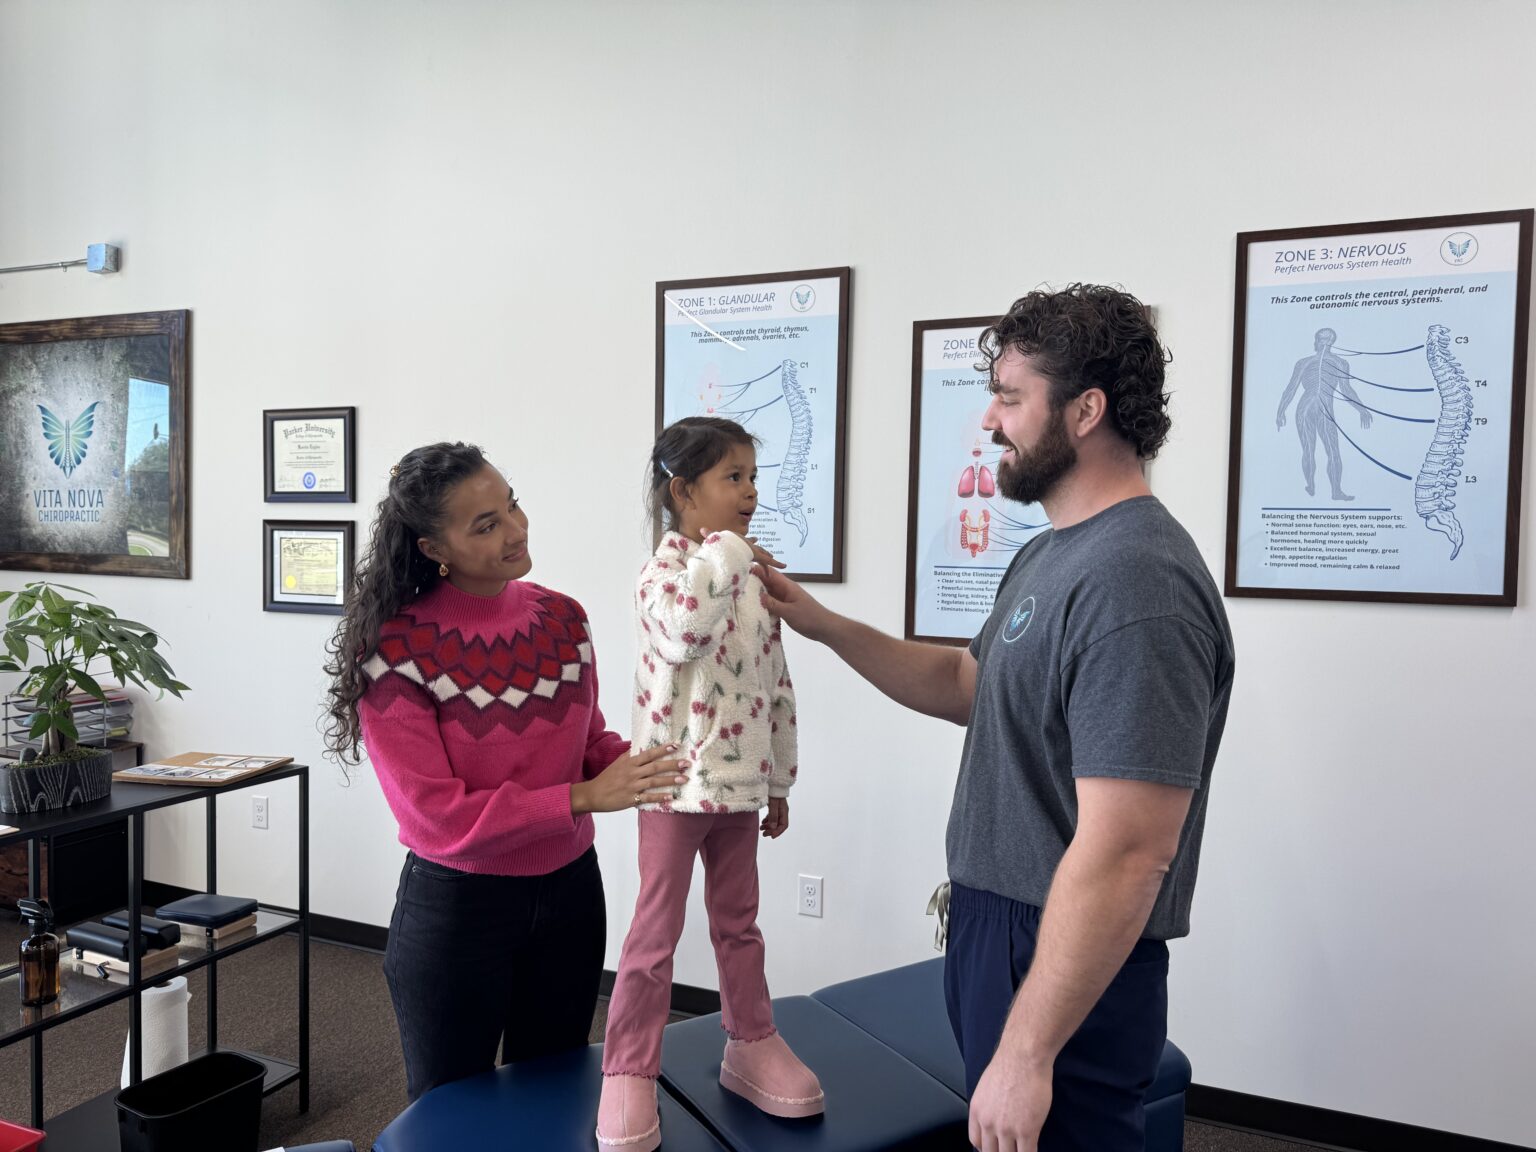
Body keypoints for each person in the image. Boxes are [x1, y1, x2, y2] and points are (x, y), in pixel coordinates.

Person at [755, 286, 1236, 1152]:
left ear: (1085, 411)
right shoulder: (1053, 552)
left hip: (1060, 943)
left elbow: (1130, 851)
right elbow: (966, 683)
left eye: (1011, 397)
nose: (989, 420)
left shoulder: (1137, 583)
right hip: (999, 926)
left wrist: (1027, 1049)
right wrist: (820, 622)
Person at [322, 441, 690, 1102]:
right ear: (435, 548)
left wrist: (679, 768)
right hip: (458, 908)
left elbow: (589, 741)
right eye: (485, 525)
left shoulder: (563, 619)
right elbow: (433, 814)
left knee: (553, 1093)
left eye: (511, 506)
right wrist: (580, 798)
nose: (515, 531)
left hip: (573, 895)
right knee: (451, 1113)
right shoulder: (394, 648)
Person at [596, 417, 824, 1152]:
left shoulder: (750, 581)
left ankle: (750, 1039)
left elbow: (775, 685)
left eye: (755, 477)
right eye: (735, 478)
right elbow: (684, 632)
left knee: (739, 925)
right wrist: (729, 551)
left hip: (737, 789)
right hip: (672, 787)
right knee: (653, 935)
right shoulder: (665, 575)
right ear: (683, 491)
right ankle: (630, 1068)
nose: (752, 493)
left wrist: (779, 775)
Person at [1275, 327, 1373, 500]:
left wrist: (1281, 411)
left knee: (1309, 449)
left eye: (1321, 339)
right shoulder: (1339, 362)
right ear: (1330, 341)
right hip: (1323, 407)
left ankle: (1312, 486)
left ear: (1318, 341)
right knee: (1331, 451)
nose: (1321, 342)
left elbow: (1291, 389)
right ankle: (1333, 491)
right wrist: (1362, 409)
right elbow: (1347, 391)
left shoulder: (1305, 362)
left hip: (1305, 407)